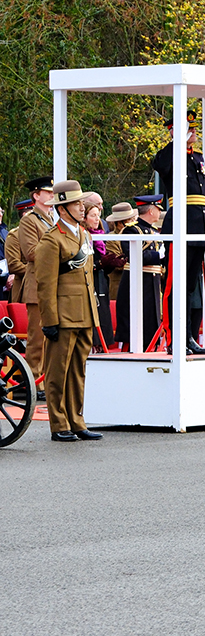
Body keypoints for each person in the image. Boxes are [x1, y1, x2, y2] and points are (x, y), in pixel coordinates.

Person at [34, 180, 101, 442]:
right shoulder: (52, 240)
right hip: (63, 315)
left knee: (77, 371)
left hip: (84, 312)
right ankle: (59, 423)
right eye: (76, 204)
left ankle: (77, 421)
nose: (82, 208)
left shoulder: (84, 235)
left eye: (82, 203)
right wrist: (49, 319)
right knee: (58, 372)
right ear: (62, 209)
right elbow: (45, 283)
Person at [150, 111, 205, 354]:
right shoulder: (171, 156)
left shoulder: (197, 157)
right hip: (180, 226)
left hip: (198, 227)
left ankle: (188, 337)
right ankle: (173, 338)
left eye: (193, 128)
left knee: (189, 288)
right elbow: (160, 165)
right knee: (173, 287)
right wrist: (177, 141)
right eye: (188, 128)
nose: (193, 132)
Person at [18, 176, 58, 377]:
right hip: (37, 285)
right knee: (37, 339)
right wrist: (58, 250)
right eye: (48, 192)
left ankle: (46, 378)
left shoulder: (51, 219)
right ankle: (34, 379)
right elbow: (31, 253)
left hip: (52, 283)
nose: (52, 195)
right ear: (36, 195)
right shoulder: (29, 220)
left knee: (51, 338)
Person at [115, 195, 165, 352]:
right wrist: (159, 255)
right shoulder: (131, 230)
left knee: (152, 326)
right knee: (136, 327)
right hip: (137, 283)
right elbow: (135, 255)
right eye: (158, 209)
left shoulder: (154, 231)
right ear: (151, 211)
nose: (159, 212)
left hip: (153, 282)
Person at [83, 194, 115, 350]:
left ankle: (103, 346)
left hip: (102, 282)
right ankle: (94, 346)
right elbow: (84, 263)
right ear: (84, 218)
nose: (97, 219)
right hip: (90, 282)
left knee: (103, 314)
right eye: (93, 215)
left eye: (98, 215)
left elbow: (103, 264)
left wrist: (111, 263)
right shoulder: (83, 235)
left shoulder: (101, 236)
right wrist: (100, 264)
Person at [4, 198, 34, 303]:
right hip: (24, 289)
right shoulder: (15, 235)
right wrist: (40, 270)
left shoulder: (43, 232)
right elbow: (14, 265)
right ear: (25, 215)